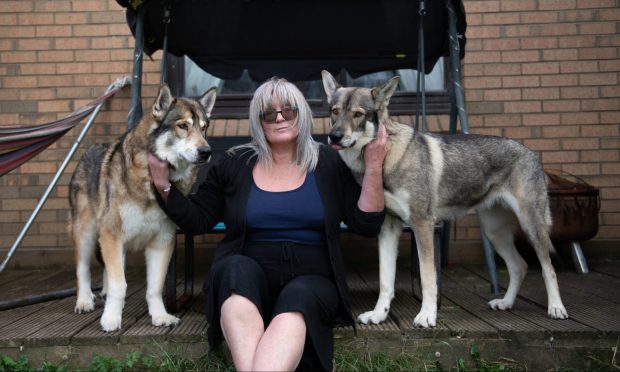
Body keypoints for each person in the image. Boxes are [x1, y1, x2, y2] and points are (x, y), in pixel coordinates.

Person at [148, 77, 387, 371]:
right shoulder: (234, 163)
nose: (279, 118)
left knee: (298, 299)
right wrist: (163, 185)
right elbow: (198, 219)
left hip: (312, 282)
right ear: (257, 121)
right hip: (245, 280)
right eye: (268, 113)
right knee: (233, 270)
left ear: (302, 114)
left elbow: (366, 223)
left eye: (288, 111)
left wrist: (374, 166)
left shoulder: (329, 163)